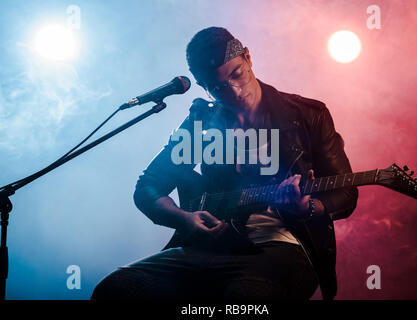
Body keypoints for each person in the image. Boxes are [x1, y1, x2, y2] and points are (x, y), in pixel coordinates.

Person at [91, 26, 358, 301]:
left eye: (237, 74)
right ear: (205, 88)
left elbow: (346, 193)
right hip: (208, 248)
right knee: (114, 291)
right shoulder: (201, 124)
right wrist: (185, 219)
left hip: (282, 245)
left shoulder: (307, 115)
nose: (235, 91)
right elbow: (148, 187)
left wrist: (308, 207)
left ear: (248, 58)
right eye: (218, 88)